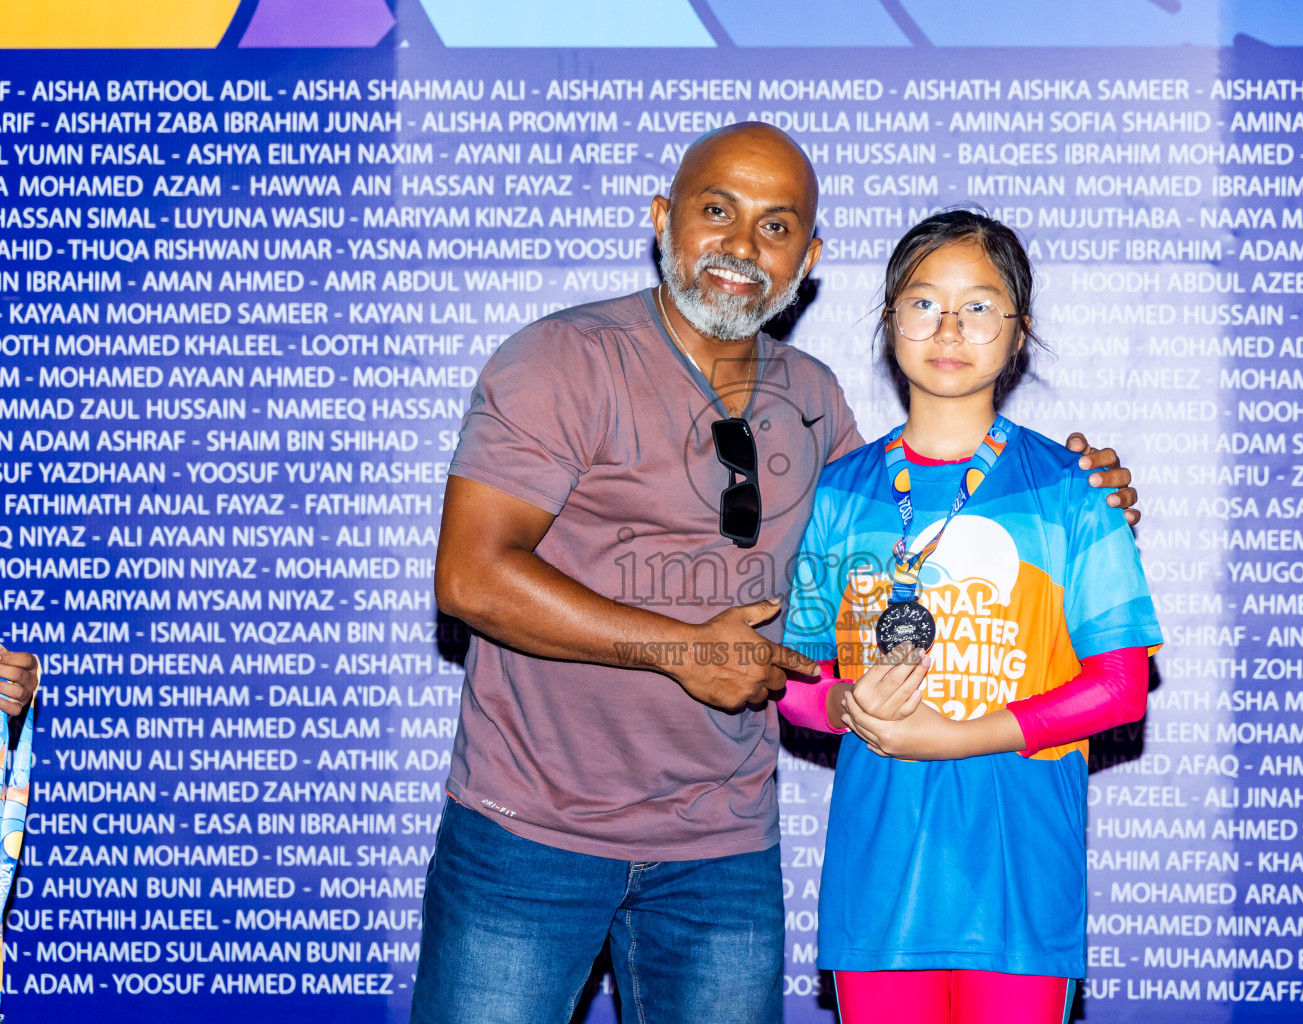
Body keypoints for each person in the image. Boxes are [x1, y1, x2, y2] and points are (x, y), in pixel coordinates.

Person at [412, 124, 1140, 1024]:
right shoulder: (562, 360)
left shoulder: (817, 402)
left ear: (811, 256)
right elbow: (472, 578)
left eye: (776, 225)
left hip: (723, 852)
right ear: (663, 219)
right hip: (530, 835)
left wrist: (1074, 493)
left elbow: (916, 533)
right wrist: (676, 649)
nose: (742, 246)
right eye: (717, 211)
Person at [779, 210, 1162, 1024]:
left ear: (1019, 332)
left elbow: (1122, 688)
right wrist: (845, 704)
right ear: (889, 324)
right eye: (923, 303)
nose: (949, 327)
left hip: (1022, 881)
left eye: (980, 306)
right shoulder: (841, 491)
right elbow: (793, 676)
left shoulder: (1070, 490)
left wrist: (957, 736)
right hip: (878, 888)